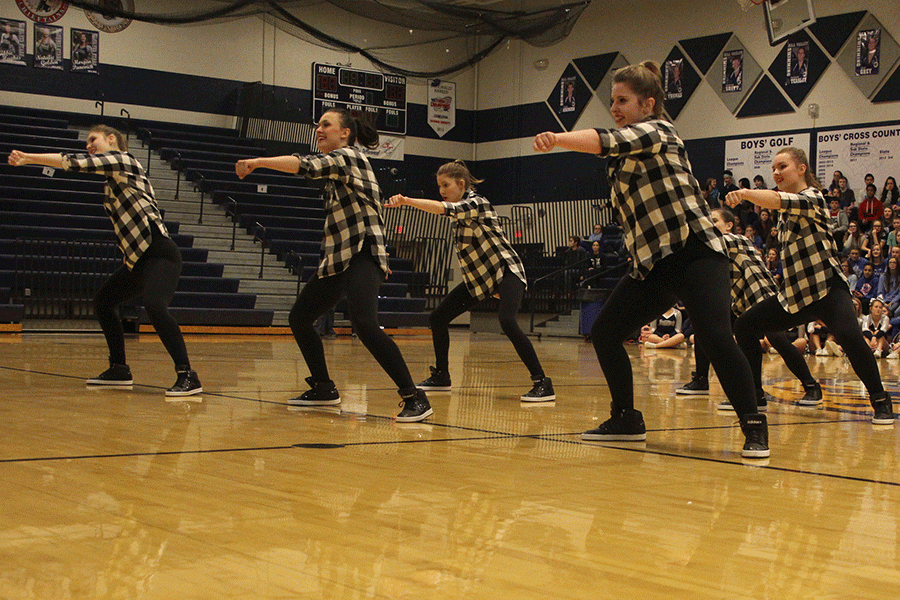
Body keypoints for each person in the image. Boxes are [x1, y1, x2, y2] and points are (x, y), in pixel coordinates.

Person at [533, 60, 768, 458]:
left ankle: (754, 426)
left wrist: (558, 137)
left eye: (623, 100)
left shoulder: (660, 131)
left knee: (714, 335)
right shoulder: (624, 156)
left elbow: (607, 140)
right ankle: (626, 418)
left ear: (649, 103)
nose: (615, 107)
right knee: (606, 332)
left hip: (695, 253)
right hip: (653, 265)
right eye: (612, 100)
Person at [234, 108, 431, 422]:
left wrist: (258, 162)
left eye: (326, 124)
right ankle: (324, 388)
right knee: (300, 317)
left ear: (345, 134)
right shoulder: (339, 166)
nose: (319, 129)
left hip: (363, 253)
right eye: (318, 125)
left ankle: (414, 396)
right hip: (339, 260)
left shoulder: (348, 158)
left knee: (365, 324)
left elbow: (306, 164)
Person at [7, 126, 202, 396]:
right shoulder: (113, 180)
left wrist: (29, 157)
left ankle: (188, 375)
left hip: (160, 253)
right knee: (103, 301)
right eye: (87, 141)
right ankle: (119, 369)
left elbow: (75, 163)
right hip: (138, 261)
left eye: (92, 139)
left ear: (112, 140)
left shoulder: (125, 160)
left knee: (155, 305)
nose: (89, 145)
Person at [727, 146, 893, 425]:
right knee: (744, 326)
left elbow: (778, 200)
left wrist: (743, 193)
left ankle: (879, 399)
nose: (776, 172)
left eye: (783, 167)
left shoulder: (813, 197)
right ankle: (755, 395)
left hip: (827, 290)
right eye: (774, 169)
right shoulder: (783, 210)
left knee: (851, 340)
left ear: (802, 168)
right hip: (795, 295)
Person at [384, 160, 555, 402]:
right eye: (439, 185)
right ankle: (442, 375)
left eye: (446, 185)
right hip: (480, 280)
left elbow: (443, 209)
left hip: (506, 271)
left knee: (507, 320)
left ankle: (542, 382)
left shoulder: (477, 203)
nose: (441, 190)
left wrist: (407, 201)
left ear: (461, 184)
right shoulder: (460, 210)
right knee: (438, 318)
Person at [676, 207, 822, 407]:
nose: (710, 225)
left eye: (715, 220)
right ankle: (706, 381)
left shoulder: (736, 240)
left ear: (729, 225)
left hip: (761, 295)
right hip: (739, 301)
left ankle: (811, 386)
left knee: (777, 339)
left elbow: (701, 247)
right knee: (705, 324)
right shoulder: (714, 249)